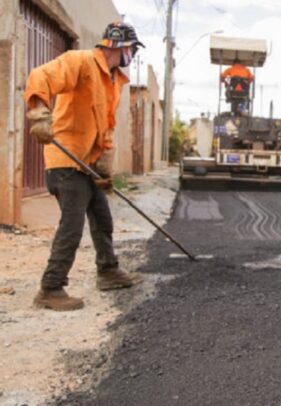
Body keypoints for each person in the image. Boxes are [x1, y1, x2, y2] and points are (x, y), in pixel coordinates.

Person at [24, 21, 146, 311]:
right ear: (120, 46)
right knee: (72, 225)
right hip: (66, 163)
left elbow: (104, 125)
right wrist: (40, 115)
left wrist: (103, 167)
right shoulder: (80, 62)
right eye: (132, 49)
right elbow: (41, 76)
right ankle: (50, 288)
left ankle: (108, 271)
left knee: (103, 219)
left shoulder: (113, 81)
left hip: (86, 165)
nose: (133, 55)